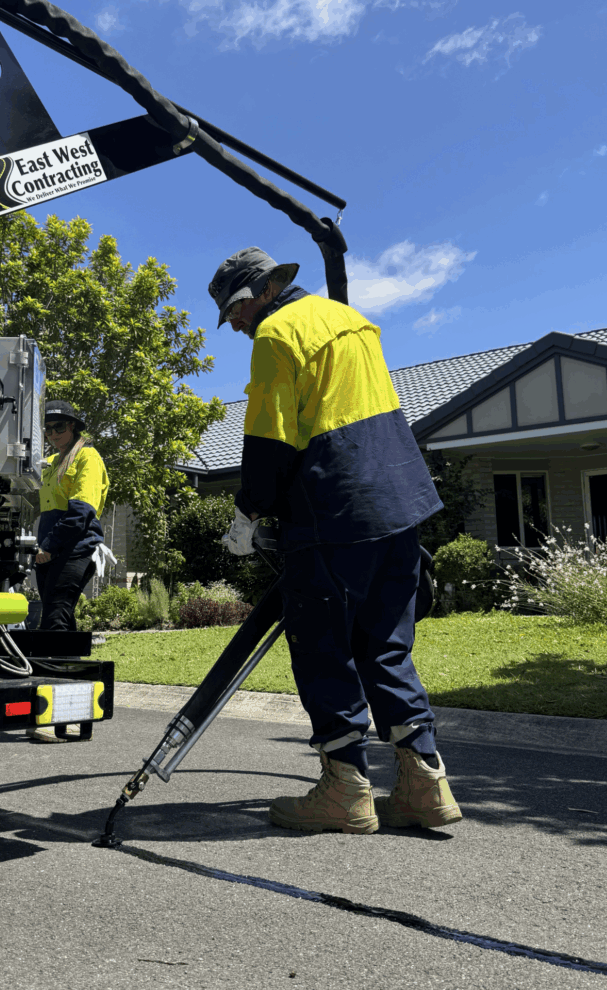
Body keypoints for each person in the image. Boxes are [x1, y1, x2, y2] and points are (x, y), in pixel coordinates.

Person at [210, 247, 461, 833]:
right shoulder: (353, 321)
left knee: (325, 649)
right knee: (387, 647)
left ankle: (345, 790)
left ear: (256, 295)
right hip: (399, 505)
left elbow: (272, 437)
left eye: (235, 314)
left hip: (333, 512)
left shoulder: (278, 333)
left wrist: (249, 512)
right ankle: (425, 783)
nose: (237, 327)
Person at [27, 399, 113, 742]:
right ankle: (75, 712)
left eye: (59, 427)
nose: (52, 434)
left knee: (54, 622)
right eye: (47, 428)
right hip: (52, 547)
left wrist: (49, 545)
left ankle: (51, 716)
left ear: (74, 428)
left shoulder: (87, 457)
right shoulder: (50, 463)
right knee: (61, 622)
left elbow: (80, 514)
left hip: (74, 546)